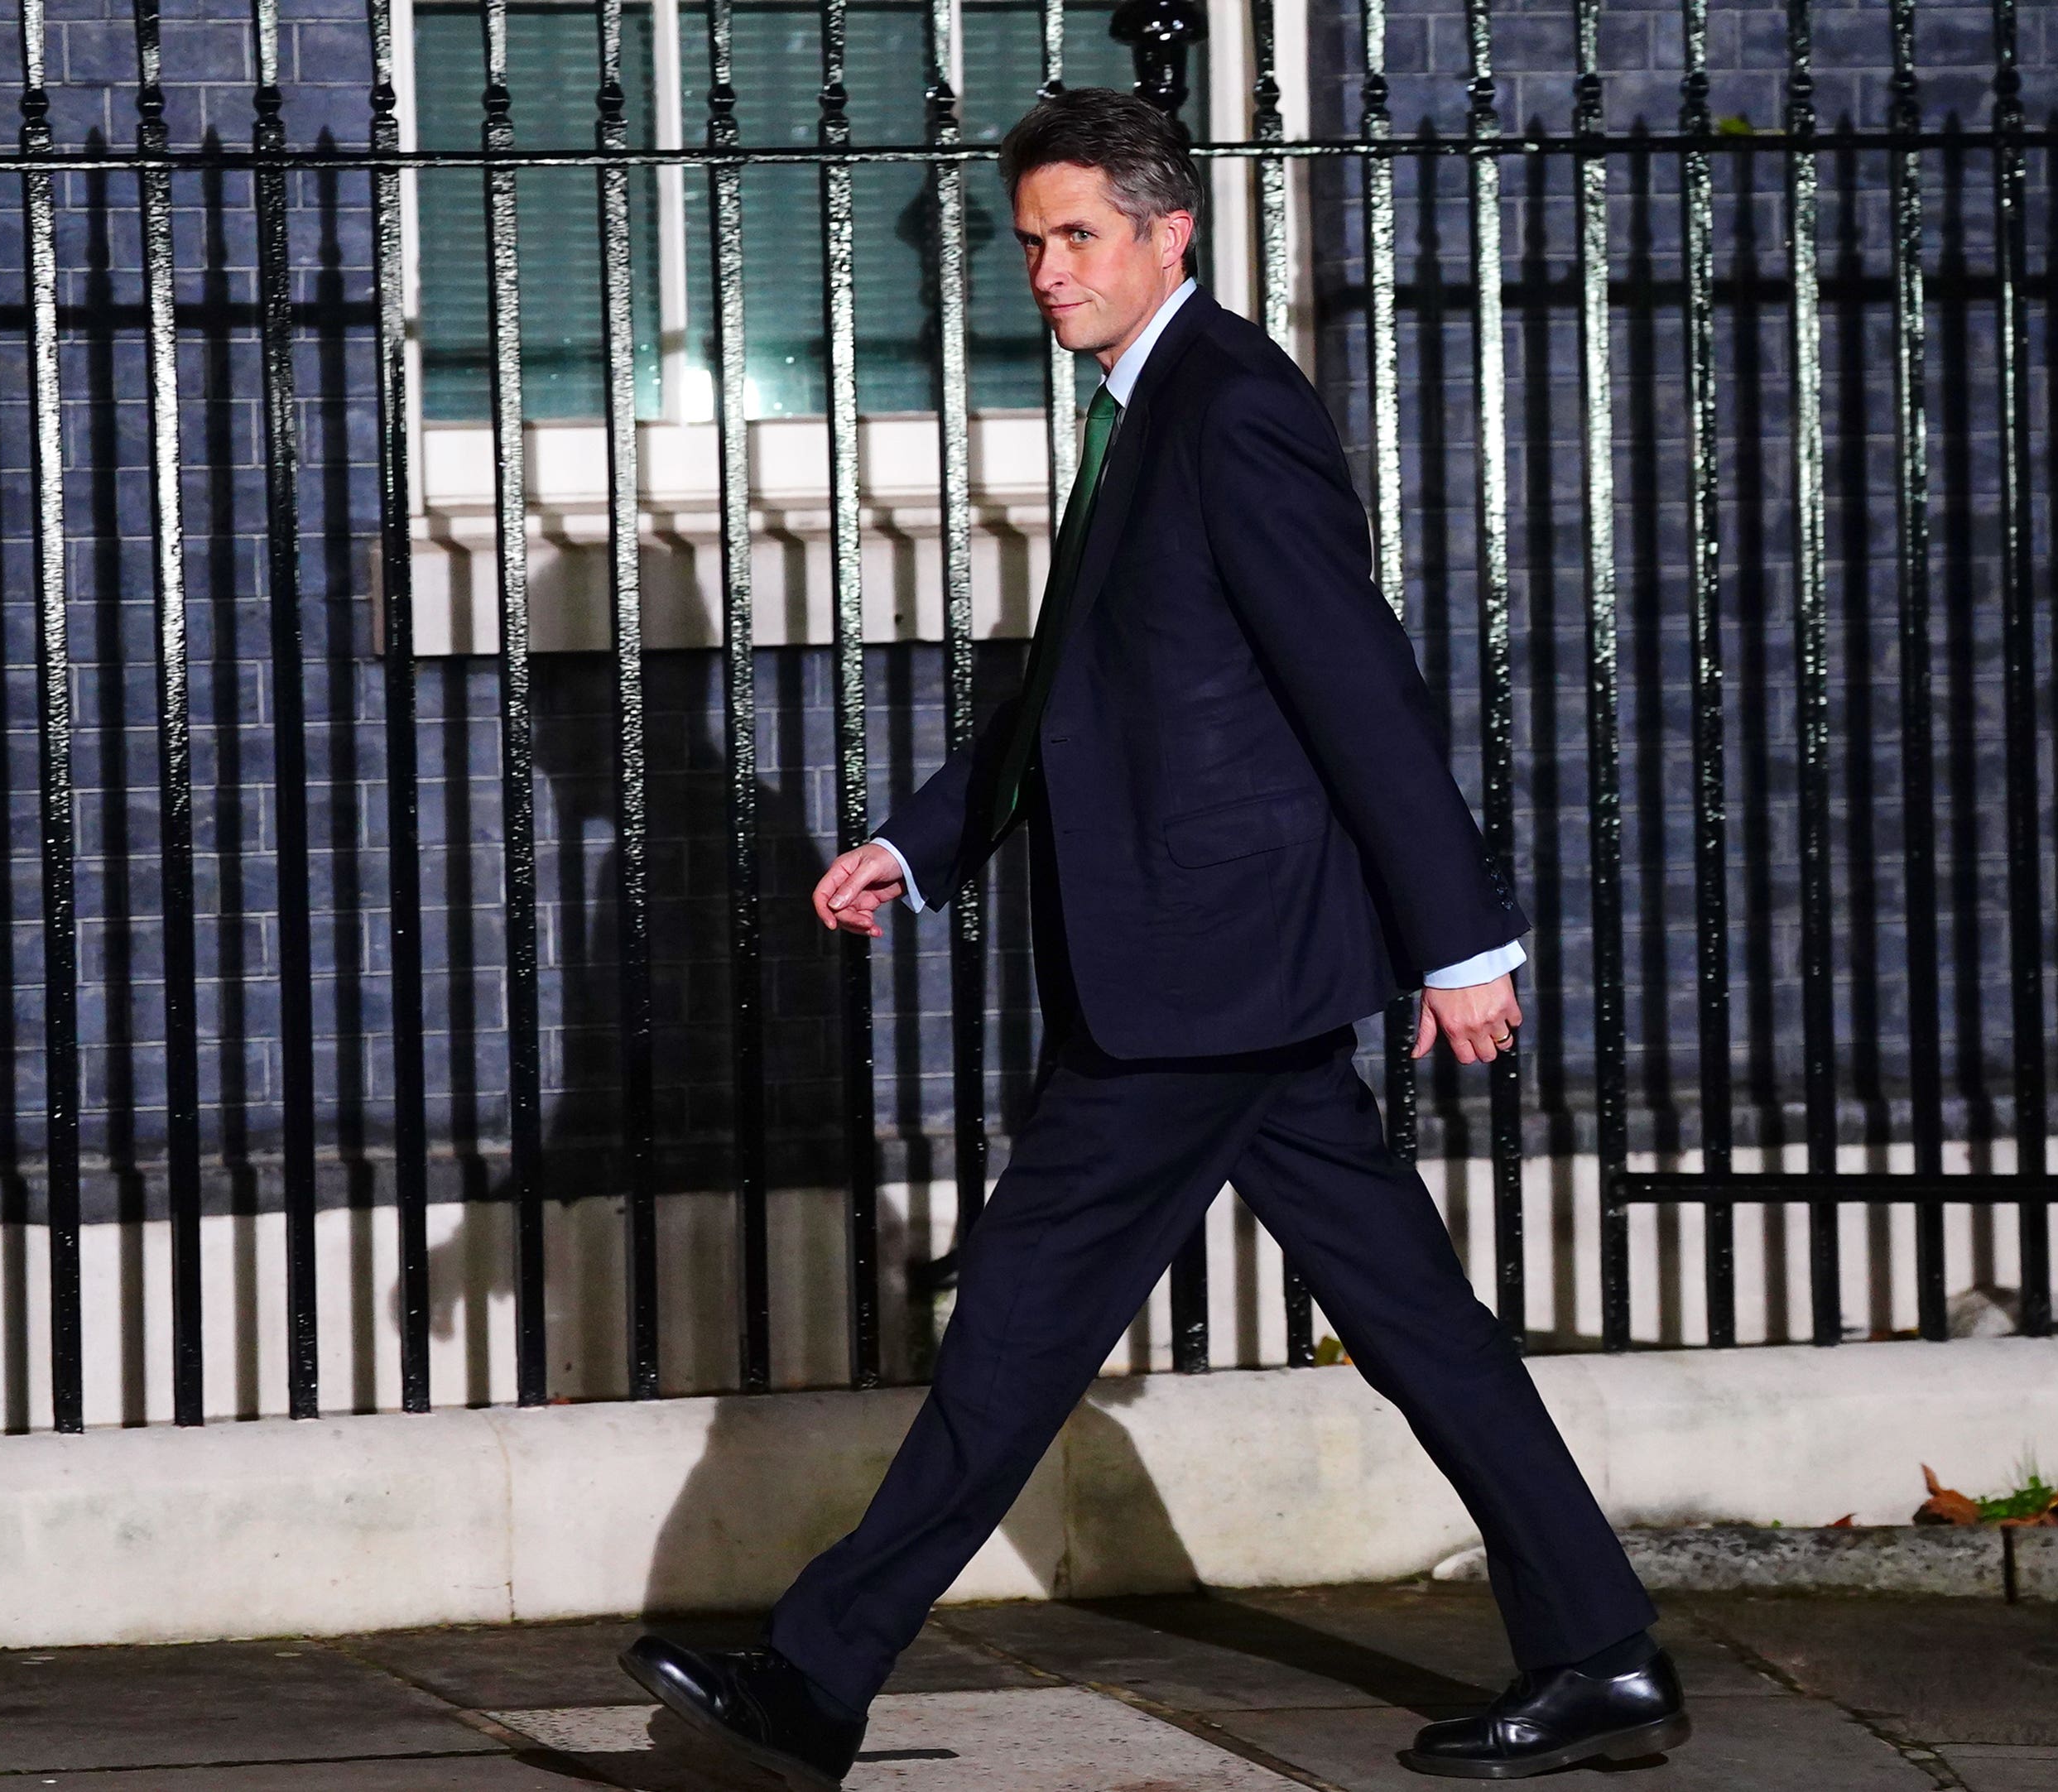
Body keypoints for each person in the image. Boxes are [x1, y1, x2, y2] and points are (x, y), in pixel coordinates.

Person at [621, 87, 1686, 1786]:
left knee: (1019, 1330)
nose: (1044, 272)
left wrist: (1462, 942)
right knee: (1412, 1325)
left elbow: (1358, 683)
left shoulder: (1229, 408)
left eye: (1077, 237)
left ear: (1167, 232)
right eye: (1030, 241)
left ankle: (818, 1677)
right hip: (1221, 983)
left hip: (1197, 981)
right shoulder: (1146, 408)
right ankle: (1601, 1651)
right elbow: (1088, 692)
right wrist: (925, 833)